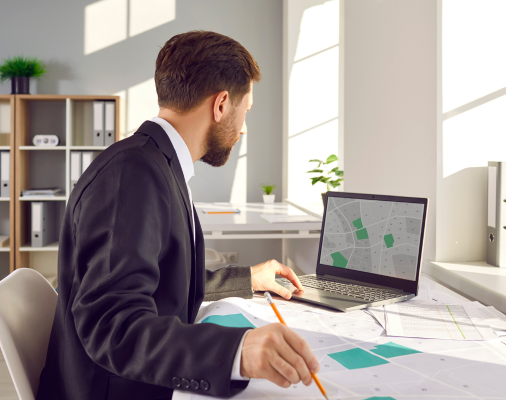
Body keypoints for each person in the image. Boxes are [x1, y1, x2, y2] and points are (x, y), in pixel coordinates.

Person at [36, 31, 319, 400]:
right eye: (244, 110)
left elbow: (160, 276)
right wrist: (237, 351)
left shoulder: (155, 163)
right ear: (220, 105)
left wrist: (247, 278)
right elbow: (111, 325)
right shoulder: (132, 174)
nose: (243, 127)